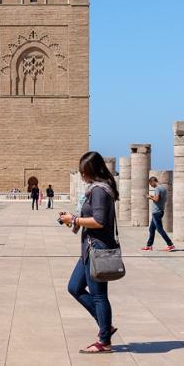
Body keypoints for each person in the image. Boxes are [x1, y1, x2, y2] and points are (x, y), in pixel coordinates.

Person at [59, 151, 119, 354]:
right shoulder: (96, 189)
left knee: (99, 295)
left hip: (97, 249)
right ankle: (105, 326)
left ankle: (104, 341)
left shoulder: (100, 191)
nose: (82, 175)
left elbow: (99, 221)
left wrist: (74, 220)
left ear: (91, 171)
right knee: (74, 287)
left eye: (83, 171)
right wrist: (72, 218)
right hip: (89, 248)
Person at [142, 175, 175, 252]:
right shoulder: (163, 188)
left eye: (151, 184)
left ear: (153, 181)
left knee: (160, 229)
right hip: (160, 210)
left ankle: (170, 244)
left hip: (156, 212)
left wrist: (149, 197)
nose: (151, 186)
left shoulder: (157, 188)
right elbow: (160, 199)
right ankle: (149, 246)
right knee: (151, 229)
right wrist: (152, 196)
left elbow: (156, 199)